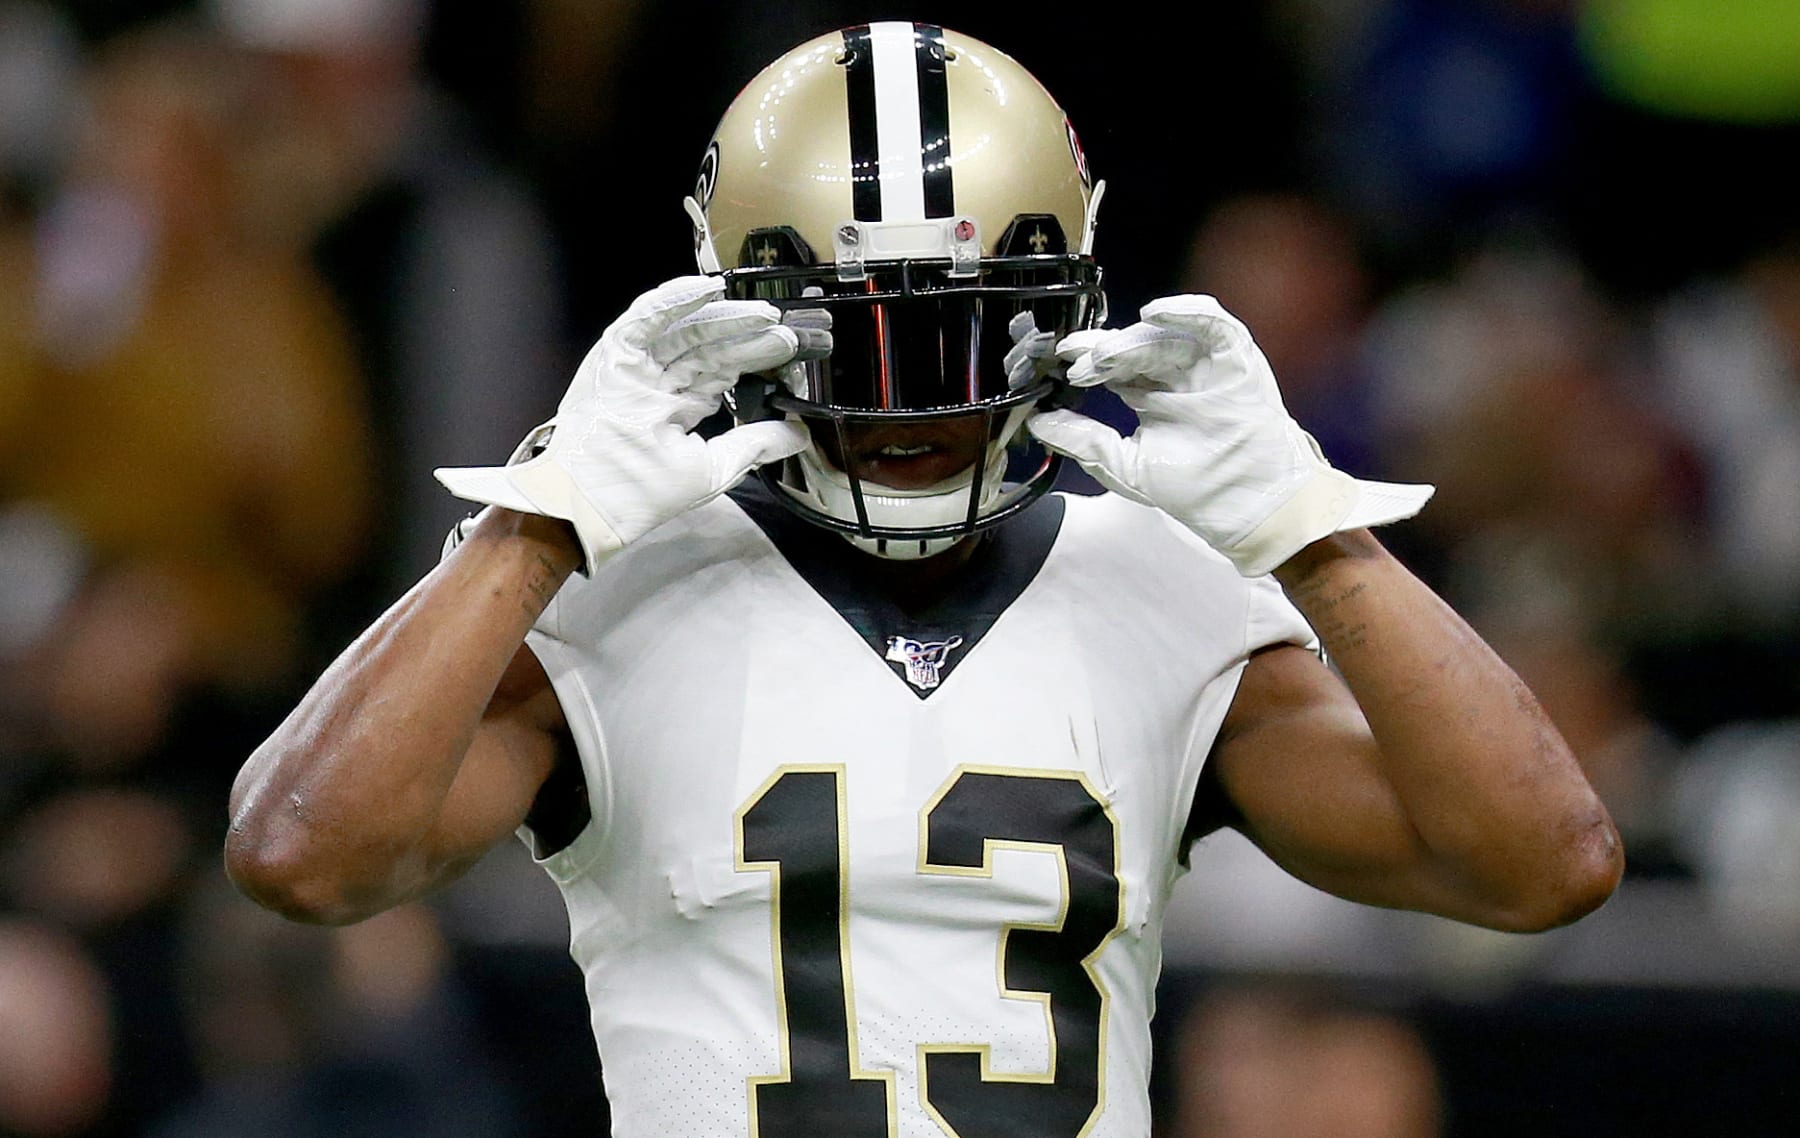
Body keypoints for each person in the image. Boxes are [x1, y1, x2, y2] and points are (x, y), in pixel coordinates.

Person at [225, 22, 1622, 1138]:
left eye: (957, 343)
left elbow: (1543, 864)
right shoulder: (605, 582)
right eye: (860, 347)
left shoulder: (1164, 581)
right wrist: (537, 523)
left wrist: (1314, 535)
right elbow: (298, 850)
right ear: (737, 322)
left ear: (1056, 315)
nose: (911, 411)